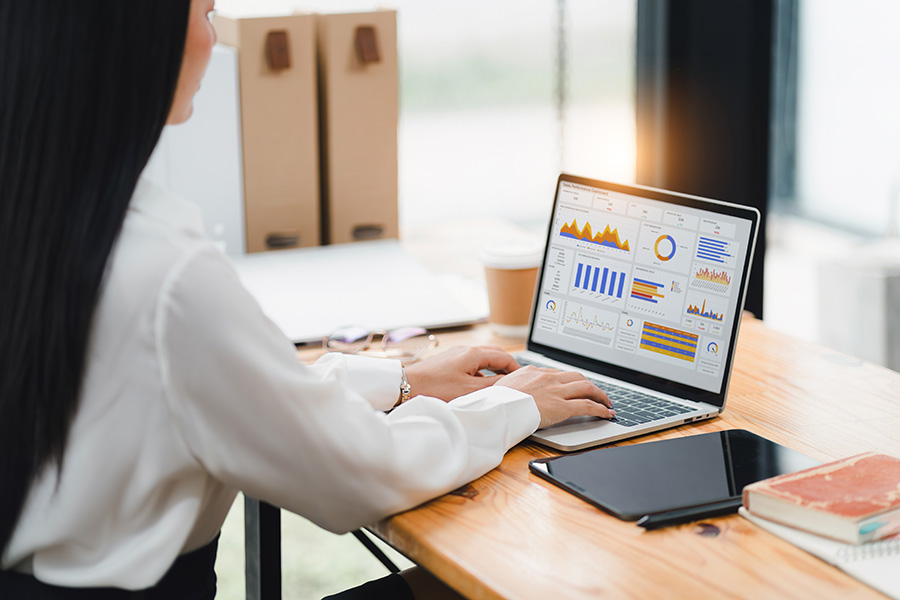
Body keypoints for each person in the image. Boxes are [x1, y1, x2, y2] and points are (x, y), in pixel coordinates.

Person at [0, 1, 613, 598]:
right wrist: (510, 405)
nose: (214, 42)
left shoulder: (43, 216)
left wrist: (404, 383)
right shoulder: (167, 277)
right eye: (206, 14)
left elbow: (223, 394)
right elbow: (357, 475)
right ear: (137, 37)